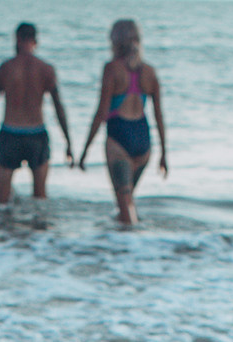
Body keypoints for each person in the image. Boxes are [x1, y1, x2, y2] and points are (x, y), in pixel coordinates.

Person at [77, 19, 166, 226]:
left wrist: (85, 150)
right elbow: (159, 115)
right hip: (144, 141)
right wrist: (163, 154)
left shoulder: (111, 69)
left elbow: (100, 113)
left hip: (119, 138)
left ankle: (131, 247)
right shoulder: (150, 72)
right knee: (126, 201)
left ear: (115, 42)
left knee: (125, 205)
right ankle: (125, 246)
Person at [0, 23, 72, 206]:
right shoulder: (46, 69)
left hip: (10, 133)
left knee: (2, 201)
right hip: (36, 134)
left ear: (17, 39)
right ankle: (39, 233)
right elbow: (58, 107)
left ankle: (5, 231)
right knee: (40, 200)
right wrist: (68, 142)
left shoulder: (6, 68)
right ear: (35, 41)